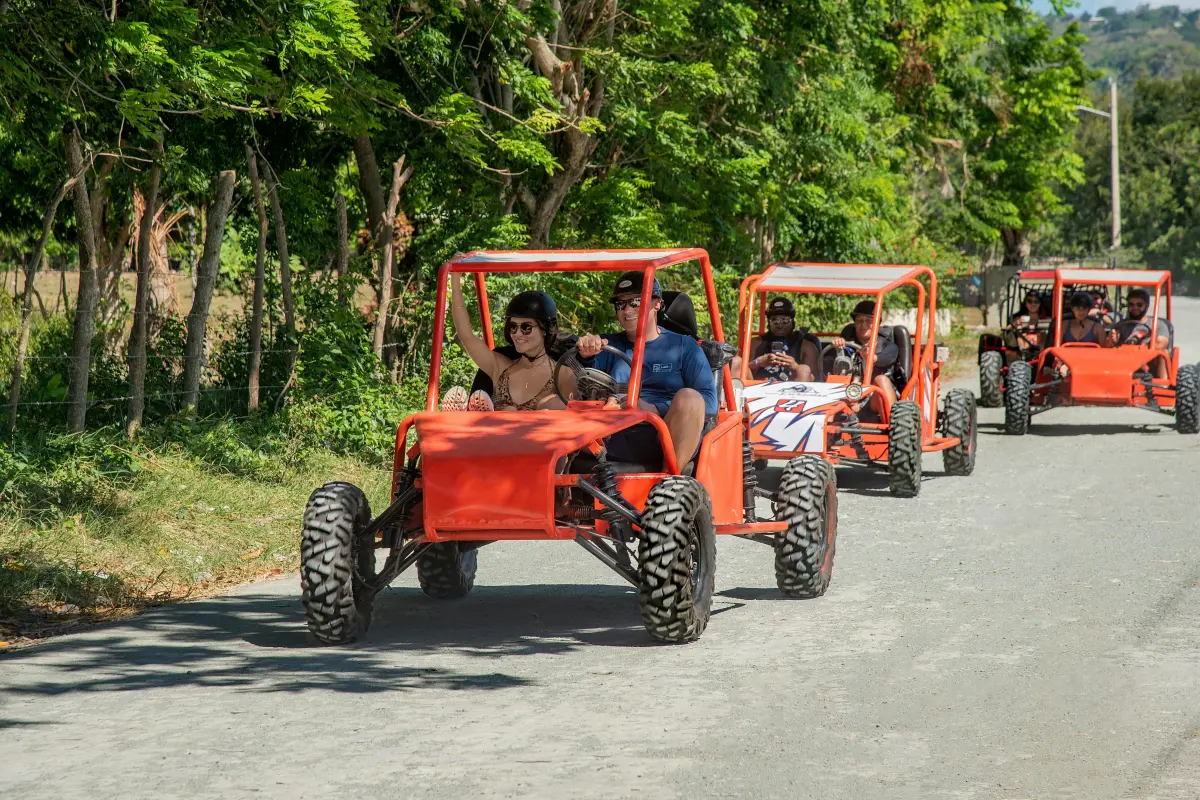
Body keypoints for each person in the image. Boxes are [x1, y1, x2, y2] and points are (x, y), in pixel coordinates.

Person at [574, 271, 717, 471]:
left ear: (656, 303)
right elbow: (576, 388)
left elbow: (710, 403)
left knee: (690, 399)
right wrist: (585, 355)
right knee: (552, 398)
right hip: (613, 434)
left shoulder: (684, 346)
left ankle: (666, 485)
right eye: (621, 305)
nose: (626, 311)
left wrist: (655, 409)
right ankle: (551, 486)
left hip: (665, 435)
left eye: (635, 303)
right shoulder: (606, 346)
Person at [441, 272, 566, 411]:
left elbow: (578, 409)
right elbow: (466, 336)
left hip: (541, 431)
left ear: (545, 329)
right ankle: (469, 417)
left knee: (550, 405)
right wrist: (455, 279)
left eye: (526, 328)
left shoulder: (562, 375)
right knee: (508, 410)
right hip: (492, 432)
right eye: (513, 327)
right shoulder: (500, 366)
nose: (517, 334)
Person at [830, 300, 901, 413]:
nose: (863, 325)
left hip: (874, 398)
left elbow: (887, 358)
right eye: (859, 321)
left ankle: (893, 426)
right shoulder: (846, 344)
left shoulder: (888, 346)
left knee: (881, 379)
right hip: (848, 394)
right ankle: (820, 425)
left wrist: (872, 358)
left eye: (869, 321)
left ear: (878, 323)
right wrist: (838, 348)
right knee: (834, 380)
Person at [742, 297, 820, 382]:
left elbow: (814, 379)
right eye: (774, 320)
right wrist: (758, 362)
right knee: (739, 364)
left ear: (792, 322)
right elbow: (743, 371)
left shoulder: (806, 346)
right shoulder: (756, 343)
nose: (780, 325)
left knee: (804, 369)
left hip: (793, 389)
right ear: (769, 322)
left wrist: (795, 367)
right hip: (759, 387)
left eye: (785, 320)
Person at [1110, 288, 1172, 380]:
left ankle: (1162, 385)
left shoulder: (1157, 324)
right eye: (1131, 304)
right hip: (1124, 361)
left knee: (1162, 353)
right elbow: (1106, 346)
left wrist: (1142, 350)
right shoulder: (1120, 325)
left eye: (1139, 305)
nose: (1135, 308)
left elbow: (1162, 343)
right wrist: (1111, 341)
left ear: (1146, 306)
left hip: (1148, 361)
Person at [1054, 291, 1111, 377]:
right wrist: (1059, 362)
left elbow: (1104, 352)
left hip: (1090, 365)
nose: (1081, 312)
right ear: (1073, 309)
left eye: (1084, 309)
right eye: (1078, 309)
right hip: (1067, 363)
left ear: (1089, 309)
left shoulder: (1097, 328)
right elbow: (1057, 348)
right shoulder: (1064, 325)